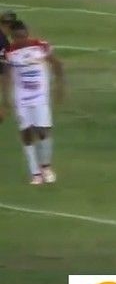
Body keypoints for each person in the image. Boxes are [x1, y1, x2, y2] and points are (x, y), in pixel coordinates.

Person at [0, 20, 64, 185]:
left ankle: (46, 166)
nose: (21, 40)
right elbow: (6, 76)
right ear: (12, 37)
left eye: (23, 36)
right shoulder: (8, 53)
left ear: (27, 32)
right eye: (17, 37)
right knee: (26, 133)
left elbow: (57, 64)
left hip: (40, 96)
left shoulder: (40, 46)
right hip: (21, 98)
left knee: (43, 131)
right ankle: (35, 173)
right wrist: (5, 100)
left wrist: (60, 86)